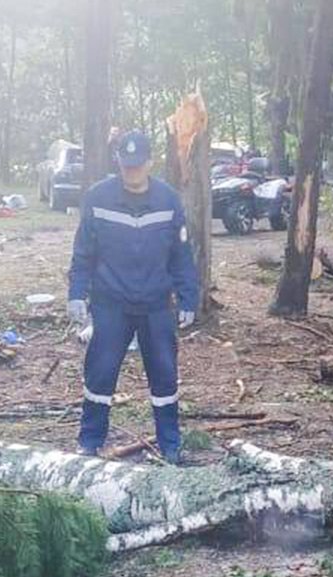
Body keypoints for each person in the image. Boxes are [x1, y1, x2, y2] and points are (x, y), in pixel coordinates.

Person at [67, 129, 201, 463]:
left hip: (156, 305)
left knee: (165, 376)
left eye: (138, 166)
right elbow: (83, 252)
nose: (132, 172)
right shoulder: (98, 198)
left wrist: (188, 298)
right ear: (118, 162)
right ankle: (89, 441)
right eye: (126, 166)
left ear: (150, 163)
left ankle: (170, 445)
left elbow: (181, 255)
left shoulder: (169, 200)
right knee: (100, 373)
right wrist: (76, 293)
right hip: (111, 303)